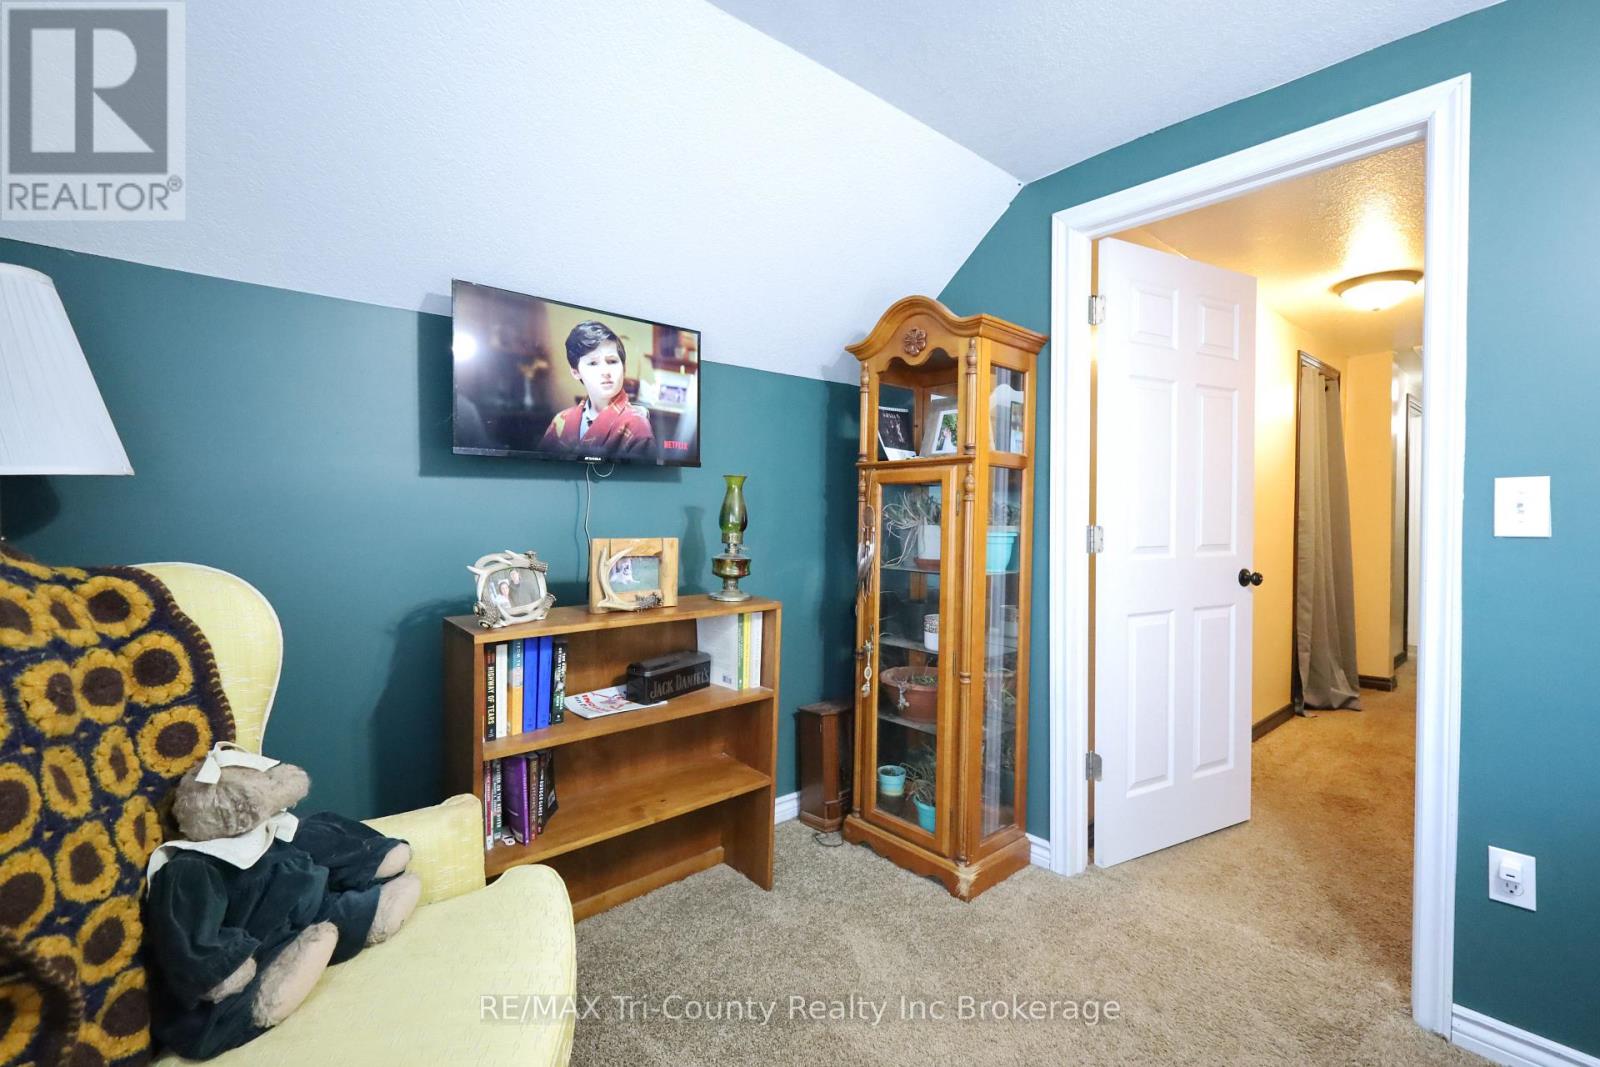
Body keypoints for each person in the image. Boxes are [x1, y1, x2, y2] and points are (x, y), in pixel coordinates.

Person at [539, 320, 655, 459]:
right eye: (593, 363)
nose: (605, 372)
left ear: (623, 368)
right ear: (576, 372)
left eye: (612, 361)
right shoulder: (561, 421)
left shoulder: (637, 427)